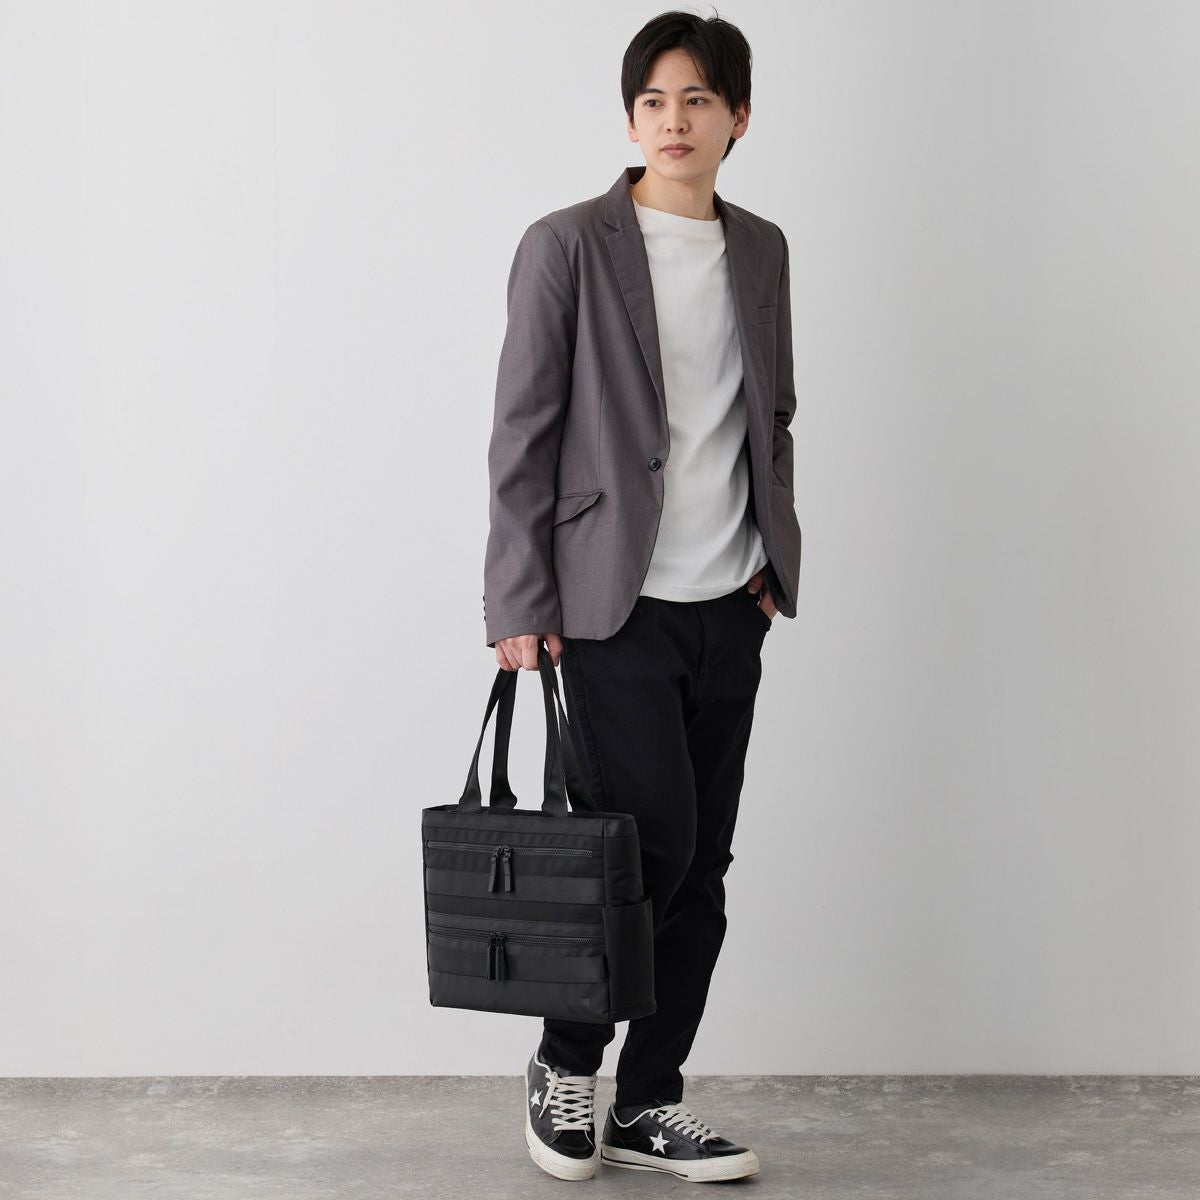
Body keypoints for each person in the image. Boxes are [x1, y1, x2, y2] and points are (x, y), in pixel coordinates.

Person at [482, 9, 801, 1184]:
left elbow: (772, 411)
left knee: (701, 867)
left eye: (699, 100)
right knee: (641, 849)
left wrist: (772, 561)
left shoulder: (761, 250)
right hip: (609, 607)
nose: (675, 121)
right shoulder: (567, 245)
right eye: (655, 101)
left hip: (730, 604)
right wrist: (518, 596)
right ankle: (566, 1063)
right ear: (631, 119)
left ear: (738, 118)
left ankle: (649, 1101)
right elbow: (523, 432)